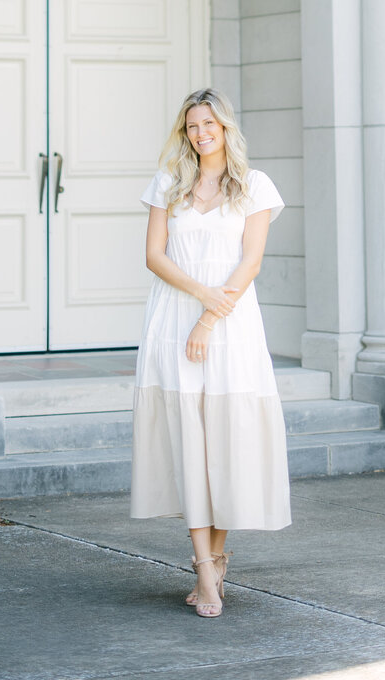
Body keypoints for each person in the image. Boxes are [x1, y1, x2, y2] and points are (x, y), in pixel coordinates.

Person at [130, 87, 291, 617]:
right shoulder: (167, 186)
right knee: (189, 443)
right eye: (192, 126)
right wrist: (199, 299)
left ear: (226, 129)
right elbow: (155, 256)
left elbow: (250, 264)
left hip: (231, 327)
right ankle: (204, 569)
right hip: (172, 323)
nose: (201, 134)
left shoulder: (254, 187)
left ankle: (217, 555)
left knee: (223, 441)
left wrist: (208, 317)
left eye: (210, 125)